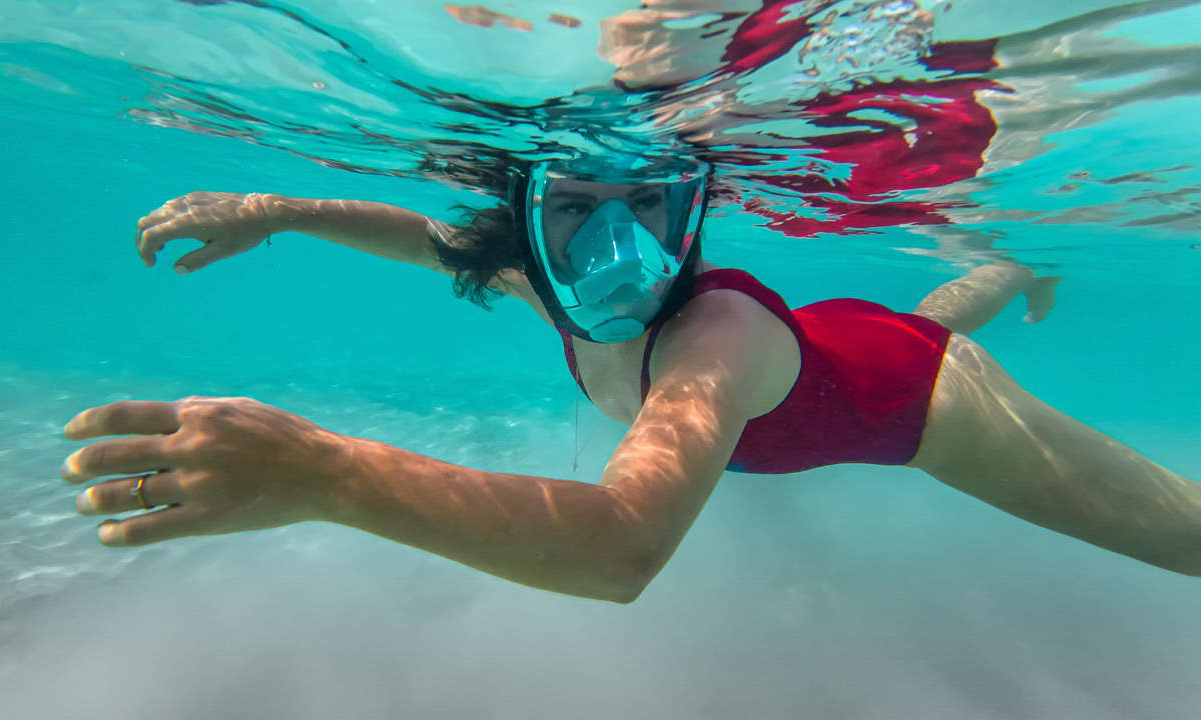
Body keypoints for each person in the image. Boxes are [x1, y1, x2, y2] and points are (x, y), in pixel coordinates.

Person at [61, 153, 1200, 603]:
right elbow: (422, 238)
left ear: (687, 206)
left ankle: (1002, 275)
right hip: (839, 337)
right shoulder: (537, 279)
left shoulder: (709, 340)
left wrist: (323, 471)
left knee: (1181, 537)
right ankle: (1005, 265)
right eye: (573, 209)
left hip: (921, 401)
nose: (615, 248)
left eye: (646, 205)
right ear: (524, 223)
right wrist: (274, 212)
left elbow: (618, 548)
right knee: (926, 310)